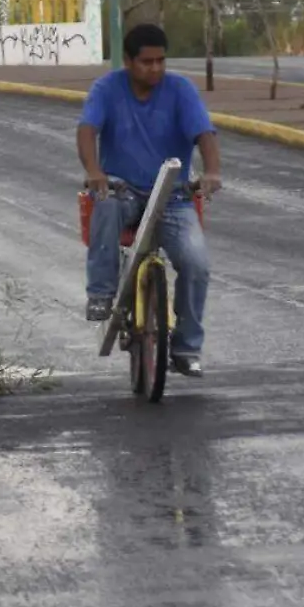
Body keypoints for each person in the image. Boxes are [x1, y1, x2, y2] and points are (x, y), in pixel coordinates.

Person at [77, 23, 222, 377]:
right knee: (105, 206)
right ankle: (100, 293)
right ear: (127, 61)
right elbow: (87, 130)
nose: (155, 69)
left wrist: (213, 172)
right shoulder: (106, 89)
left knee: (197, 264)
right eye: (146, 62)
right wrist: (94, 170)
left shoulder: (180, 90)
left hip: (173, 196)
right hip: (122, 189)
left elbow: (204, 133)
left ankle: (186, 348)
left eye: (161, 61)